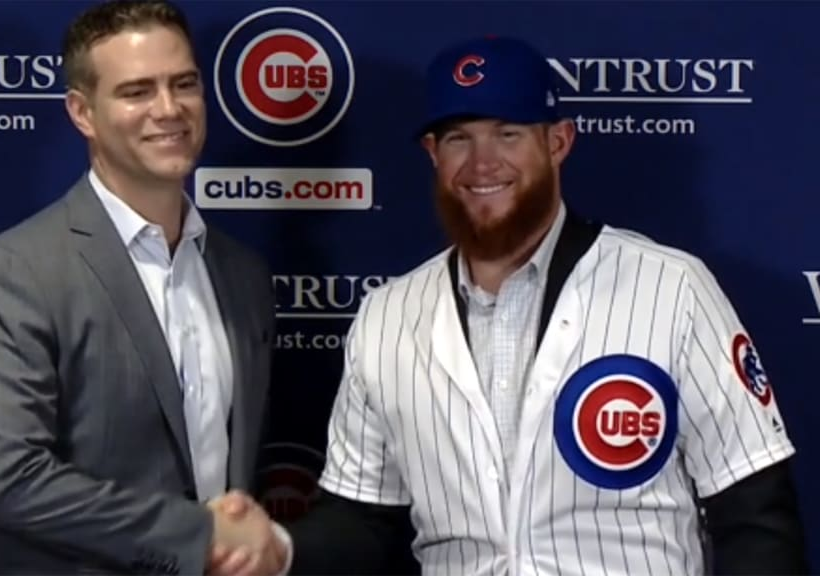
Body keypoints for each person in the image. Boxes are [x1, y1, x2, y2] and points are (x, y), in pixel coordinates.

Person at [214, 35, 809, 575]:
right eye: (459, 138)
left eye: (508, 133)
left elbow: (755, 516)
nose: (482, 163)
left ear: (558, 141)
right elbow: (365, 520)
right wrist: (279, 548)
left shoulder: (671, 288)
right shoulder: (386, 317)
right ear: (432, 152)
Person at [0, 1, 289, 574]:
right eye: (137, 91)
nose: (169, 109)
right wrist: (199, 535)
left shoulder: (243, 273)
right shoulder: (19, 269)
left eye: (184, 83)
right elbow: (7, 480)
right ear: (82, 113)